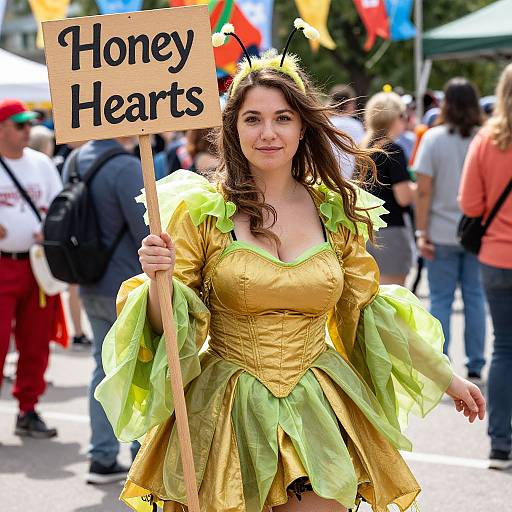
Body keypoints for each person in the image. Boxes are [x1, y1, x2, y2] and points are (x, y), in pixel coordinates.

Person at [95, 32, 485, 512]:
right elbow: (165, 327)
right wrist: (159, 278)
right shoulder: (200, 211)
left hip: (316, 407)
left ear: (303, 127)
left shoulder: (335, 211)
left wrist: (449, 379)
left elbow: (370, 313)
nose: (268, 133)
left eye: (283, 118)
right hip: (225, 412)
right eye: (252, 119)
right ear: (233, 128)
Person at [62, 137, 148, 483]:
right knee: (138, 374)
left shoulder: (75, 159)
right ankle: (142, 458)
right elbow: (147, 227)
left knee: (103, 366)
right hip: (125, 285)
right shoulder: (126, 165)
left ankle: (101, 454)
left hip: (88, 278)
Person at [413, 78, 486, 383]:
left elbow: (423, 191)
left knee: (440, 299)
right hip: (478, 233)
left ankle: (441, 363)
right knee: (475, 298)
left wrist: (421, 231)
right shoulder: (485, 138)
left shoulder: (433, 139)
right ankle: (476, 363)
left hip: (440, 230)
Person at [459, 63, 512, 470]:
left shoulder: (486, 140)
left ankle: (499, 443)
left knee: (504, 349)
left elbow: (471, 206)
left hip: (496, 256)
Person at [0, 99, 62, 438]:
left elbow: (59, 205)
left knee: (36, 342)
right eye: (19, 124)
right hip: (3, 264)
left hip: (37, 266)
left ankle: (28, 409)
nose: (28, 130)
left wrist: (51, 229)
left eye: (28, 124)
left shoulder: (40, 163)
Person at [362, 91, 416, 286]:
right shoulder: (393, 150)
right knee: (392, 298)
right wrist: (419, 189)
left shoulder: (363, 149)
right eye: (403, 115)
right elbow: (403, 197)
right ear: (394, 118)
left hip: (365, 231)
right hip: (390, 231)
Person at [328, 84, 365, 179]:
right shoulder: (355, 125)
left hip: (325, 176)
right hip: (348, 178)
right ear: (349, 103)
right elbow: (361, 151)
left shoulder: (325, 123)